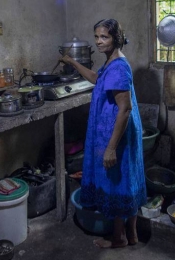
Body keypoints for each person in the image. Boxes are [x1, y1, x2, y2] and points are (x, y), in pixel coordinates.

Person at [60, 19, 146, 248]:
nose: (99, 41)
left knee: (115, 181)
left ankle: (117, 238)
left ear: (115, 38)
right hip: (119, 132)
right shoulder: (112, 62)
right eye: (97, 36)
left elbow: (125, 109)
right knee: (126, 180)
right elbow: (97, 79)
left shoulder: (118, 67)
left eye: (104, 37)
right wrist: (73, 62)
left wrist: (110, 148)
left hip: (115, 134)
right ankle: (132, 234)